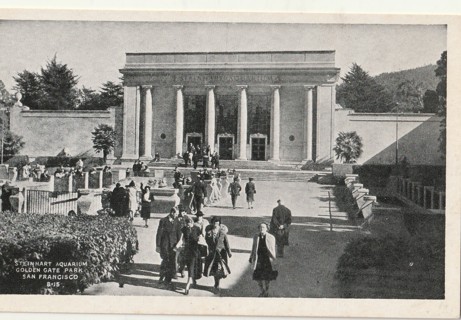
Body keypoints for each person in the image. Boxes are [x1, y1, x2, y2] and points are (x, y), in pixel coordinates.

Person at [204, 216, 232, 294]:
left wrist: (229, 252)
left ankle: (217, 284)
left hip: (221, 254)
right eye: (214, 223)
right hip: (212, 254)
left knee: (220, 269)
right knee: (214, 270)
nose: (216, 225)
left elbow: (226, 243)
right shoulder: (209, 232)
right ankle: (216, 284)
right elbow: (206, 242)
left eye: (217, 223)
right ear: (212, 223)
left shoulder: (222, 232)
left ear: (219, 224)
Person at [175, 216, 202, 295]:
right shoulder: (184, 229)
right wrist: (176, 247)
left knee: (191, 268)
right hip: (186, 251)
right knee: (182, 265)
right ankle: (190, 280)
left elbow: (201, 238)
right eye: (186, 223)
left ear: (192, 223)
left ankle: (187, 286)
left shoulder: (197, 229)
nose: (187, 225)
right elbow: (181, 240)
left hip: (194, 251)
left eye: (189, 223)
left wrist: (199, 241)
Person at [156, 207, 182, 289]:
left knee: (172, 262)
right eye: (176, 214)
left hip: (173, 246)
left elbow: (179, 234)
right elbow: (159, 234)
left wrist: (178, 245)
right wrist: (158, 245)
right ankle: (161, 276)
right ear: (172, 212)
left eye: (177, 214)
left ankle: (168, 280)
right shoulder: (163, 221)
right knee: (165, 261)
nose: (177, 215)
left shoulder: (177, 221)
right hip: (165, 245)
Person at [249, 222, 277, 297]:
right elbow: (253, 248)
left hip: (267, 260)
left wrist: (273, 259)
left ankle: (266, 291)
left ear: (267, 229)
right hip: (258, 260)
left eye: (263, 227)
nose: (262, 229)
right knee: (258, 277)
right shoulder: (256, 237)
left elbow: (272, 249)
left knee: (267, 277)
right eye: (260, 227)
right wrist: (251, 257)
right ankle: (262, 291)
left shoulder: (271, 237)